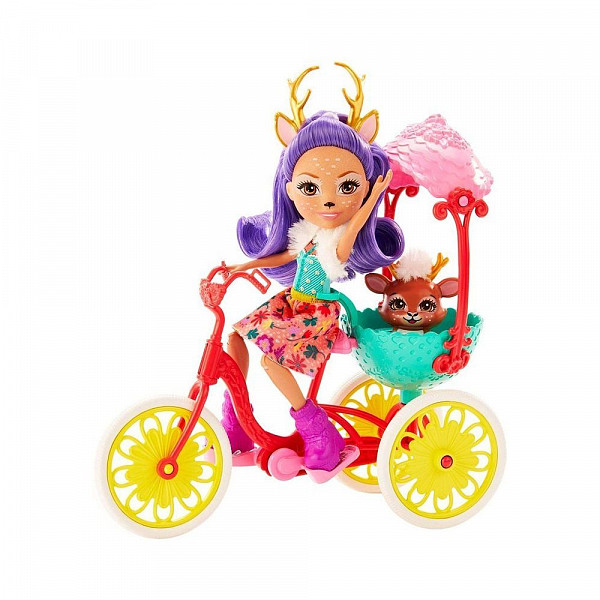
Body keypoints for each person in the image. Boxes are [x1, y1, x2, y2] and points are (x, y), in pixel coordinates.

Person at [223, 64, 404, 472]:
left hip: (317, 312)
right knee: (235, 337)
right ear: (290, 190)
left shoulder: (338, 242)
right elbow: (285, 257)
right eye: (310, 188)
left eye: (347, 186)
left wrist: (372, 198)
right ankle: (236, 422)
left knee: (270, 362)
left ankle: (317, 429)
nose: (328, 200)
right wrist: (243, 265)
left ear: (362, 189)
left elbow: (353, 226)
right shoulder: (306, 233)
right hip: (292, 303)